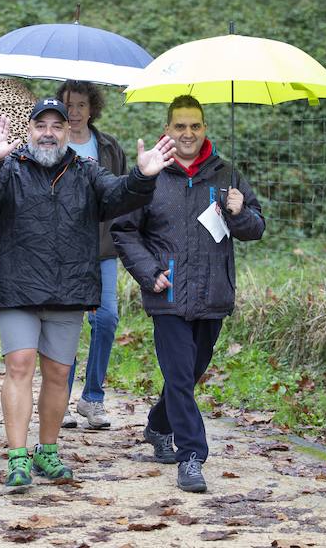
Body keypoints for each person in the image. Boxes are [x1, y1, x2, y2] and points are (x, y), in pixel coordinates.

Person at [0, 99, 175, 487]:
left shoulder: (86, 171)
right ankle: (17, 458)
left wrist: (143, 175)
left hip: (68, 286)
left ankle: (47, 451)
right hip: (18, 284)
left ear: (68, 132)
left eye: (57, 126)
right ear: (29, 130)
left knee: (59, 372)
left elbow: (118, 197)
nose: (48, 132)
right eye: (41, 125)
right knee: (19, 365)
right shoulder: (9, 169)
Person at [111, 95, 265, 493]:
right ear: (167, 130)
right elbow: (124, 231)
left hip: (213, 291)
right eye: (180, 126)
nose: (187, 133)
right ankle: (192, 456)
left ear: (205, 129)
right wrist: (148, 273)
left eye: (195, 126)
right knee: (179, 376)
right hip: (168, 293)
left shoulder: (227, 175)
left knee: (190, 374)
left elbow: (256, 228)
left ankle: (159, 425)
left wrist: (240, 211)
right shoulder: (151, 176)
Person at [55, 80, 128, 430]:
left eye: (81, 104)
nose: (74, 112)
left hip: (102, 247)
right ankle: (60, 401)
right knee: (66, 324)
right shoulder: (52, 144)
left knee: (106, 318)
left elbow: (123, 192)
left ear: (92, 108)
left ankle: (92, 398)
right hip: (64, 249)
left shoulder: (109, 147)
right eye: (68, 104)